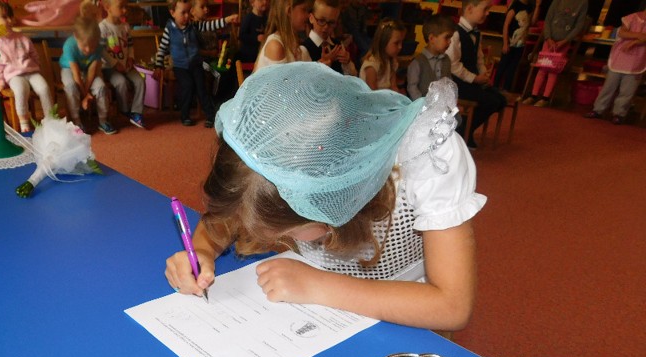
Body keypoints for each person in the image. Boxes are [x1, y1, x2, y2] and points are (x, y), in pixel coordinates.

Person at [164, 62, 486, 331]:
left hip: (405, 318)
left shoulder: (428, 155)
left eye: (287, 233)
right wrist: (202, 250)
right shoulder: (269, 156)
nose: (274, 239)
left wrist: (319, 286)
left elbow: (453, 305)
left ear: (326, 201)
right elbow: (236, 209)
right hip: (320, 316)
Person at [153, 0, 239, 127]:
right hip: (180, 67)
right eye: (183, 13)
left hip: (196, 64)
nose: (187, 16)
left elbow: (211, 25)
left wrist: (227, 19)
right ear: (172, 13)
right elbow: (162, 49)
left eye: (188, 12)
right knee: (188, 85)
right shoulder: (169, 29)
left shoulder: (193, 25)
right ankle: (185, 115)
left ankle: (210, 116)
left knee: (202, 88)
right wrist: (158, 66)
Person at [445, 0, 506, 147]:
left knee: (501, 100)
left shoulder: (476, 33)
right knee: (491, 101)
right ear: (470, 9)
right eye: (485, 9)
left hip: (472, 82)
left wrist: (484, 75)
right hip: (458, 83)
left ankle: (466, 129)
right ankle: (463, 131)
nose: (488, 13)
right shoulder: (455, 33)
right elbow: (453, 65)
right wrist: (474, 78)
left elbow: (479, 59)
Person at [0, 0, 52, 133]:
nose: (9, 20)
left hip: (32, 72)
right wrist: (0, 82)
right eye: (4, 17)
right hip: (13, 76)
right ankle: (24, 123)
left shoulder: (22, 38)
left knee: (44, 88)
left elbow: (34, 54)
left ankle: (51, 119)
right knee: (21, 91)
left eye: (10, 16)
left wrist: (36, 66)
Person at [60, 0, 115, 134]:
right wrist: (85, 95)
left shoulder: (97, 47)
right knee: (71, 87)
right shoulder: (69, 45)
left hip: (87, 70)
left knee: (101, 86)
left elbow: (92, 71)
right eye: (84, 46)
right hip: (69, 69)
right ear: (76, 37)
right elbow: (76, 74)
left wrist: (86, 92)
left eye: (92, 45)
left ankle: (103, 121)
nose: (88, 50)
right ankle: (77, 121)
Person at [584, 8, 646, 124]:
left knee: (627, 91)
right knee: (609, 86)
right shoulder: (632, 17)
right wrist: (639, 35)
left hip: (637, 61)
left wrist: (634, 42)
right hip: (620, 57)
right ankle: (598, 110)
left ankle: (619, 114)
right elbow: (622, 32)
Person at [522, 0, 588, 107]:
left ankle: (545, 98)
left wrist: (565, 41)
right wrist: (548, 38)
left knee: (553, 70)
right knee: (542, 68)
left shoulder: (582, 3)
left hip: (563, 43)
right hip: (549, 41)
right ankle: (533, 95)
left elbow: (579, 25)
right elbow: (548, 20)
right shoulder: (557, 1)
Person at [100, 0, 147, 129]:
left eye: (125, 7)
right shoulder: (103, 27)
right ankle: (124, 110)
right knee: (121, 82)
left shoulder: (125, 26)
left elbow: (130, 45)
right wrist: (115, 64)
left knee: (140, 81)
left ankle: (136, 113)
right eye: (121, 7)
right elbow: (102, 51)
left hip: (126, 66)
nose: (125, 10)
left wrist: (131, 58)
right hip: (109, 68)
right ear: (108, 8)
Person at [407, 13, 455, 100]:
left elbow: (449, 84)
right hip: (422, 105)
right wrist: (422, 105)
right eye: (446, 37)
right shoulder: (417, 62)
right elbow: (412, 88)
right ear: (432, 38)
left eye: (450, 38)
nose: (450, 42)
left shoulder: (446, 60)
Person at [254, 0, 312, 70]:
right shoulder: (275, 46)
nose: (308, 15)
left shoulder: (295, 46)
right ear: (289, 11)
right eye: (304, 10)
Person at [302, 0, 356, 75]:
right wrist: (320, 66)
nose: (326, 27)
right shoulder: (304, 49)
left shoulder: (338, 45)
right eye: (321, 21)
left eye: (331, 22)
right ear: (311, 18)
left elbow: (352, 77)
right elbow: (303, 79)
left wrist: (347, 63)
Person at [493, 0, 533, 91]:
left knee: (513, 68)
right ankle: (495, 87)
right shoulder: (515, 5)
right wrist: (505, 43)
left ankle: (506, 89)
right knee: (503, 65)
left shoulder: (530, 6)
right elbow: (506, 24)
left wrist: (538, 6)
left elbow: (531, 22)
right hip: (510, 42)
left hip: (520, 44)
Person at [360, 18, 405, 91]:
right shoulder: (372, 65)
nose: (400, 47)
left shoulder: (391, 61)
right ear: (383, 42)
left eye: (401, 42)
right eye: (396, 43)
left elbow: (393, 86)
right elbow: (372, 93)